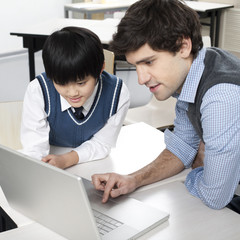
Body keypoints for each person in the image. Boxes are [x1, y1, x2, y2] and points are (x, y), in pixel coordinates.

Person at [91, 0, 240, 212]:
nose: (141, 79)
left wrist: (197, 169)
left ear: (183, 47)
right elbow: (182, 147)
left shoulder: (220, 98)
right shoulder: (194, 71)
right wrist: (133, 179)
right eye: (136, 66)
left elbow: (215, 196)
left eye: (149, 62)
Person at [20, 26, 130, 169]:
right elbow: (34, 149)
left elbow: (103, 143)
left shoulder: (118, 93)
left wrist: (66, 160)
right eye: (61, 83)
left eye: (81, 83)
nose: (72, 93)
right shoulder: (38, 90)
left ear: (101, 69)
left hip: (93, 162)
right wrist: (43, 169)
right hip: (50, 158)